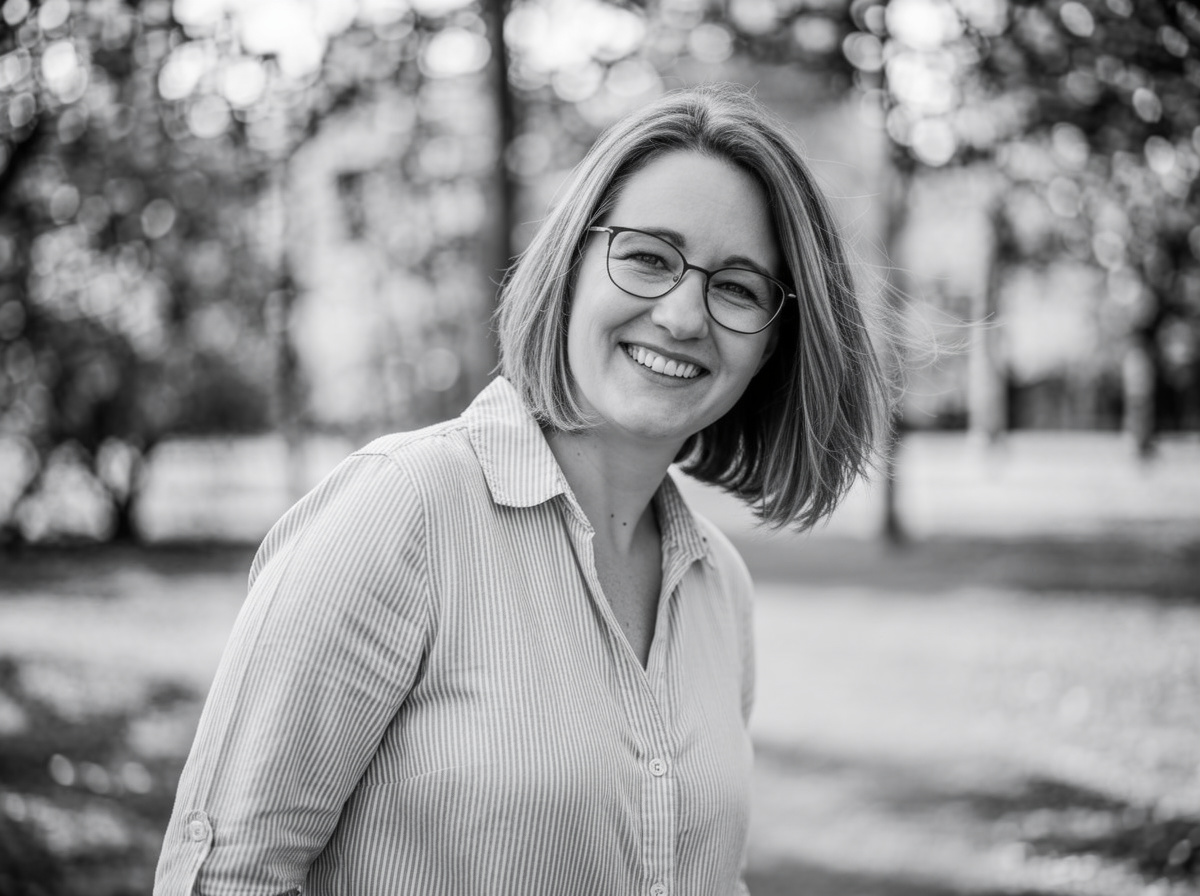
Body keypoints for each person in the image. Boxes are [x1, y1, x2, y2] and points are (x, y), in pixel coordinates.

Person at [155, 84, 888, 895]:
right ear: (573, 262)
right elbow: (227, 874)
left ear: (773, 348)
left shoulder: (721, 589)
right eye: (648, 256)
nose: (684, 316)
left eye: (739, 287)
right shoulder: (405, 509)